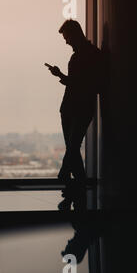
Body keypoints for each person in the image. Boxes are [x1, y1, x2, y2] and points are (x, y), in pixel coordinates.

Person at [46, 20, 103, 211]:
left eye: (67, 37)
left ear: (74, 34)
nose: (66, 42)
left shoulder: (87, 55)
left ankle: (68, 176)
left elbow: (80, 84)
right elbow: (81, 84)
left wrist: (61, 75)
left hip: (73, 107)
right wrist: (61, 75)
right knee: (73, 147)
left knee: (72, 146)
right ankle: (78, 186)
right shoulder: (92, 54)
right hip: (77, 107)